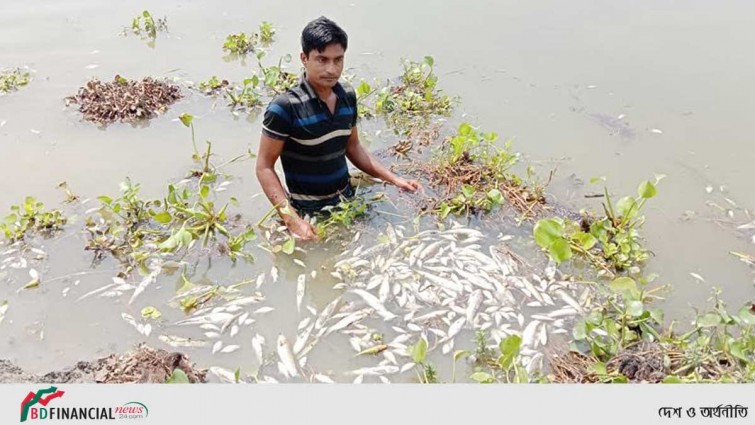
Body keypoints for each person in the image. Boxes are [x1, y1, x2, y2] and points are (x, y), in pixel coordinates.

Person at [255, 16, 421, 240]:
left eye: (338, 60)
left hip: (347, 201)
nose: (331, 69)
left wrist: (394, 180)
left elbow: (353, 148)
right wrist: (292, 220)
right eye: (321, 60)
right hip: (308, 213)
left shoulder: (347, 96)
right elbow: (264, 167)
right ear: (304, 58)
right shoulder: (284, 108)